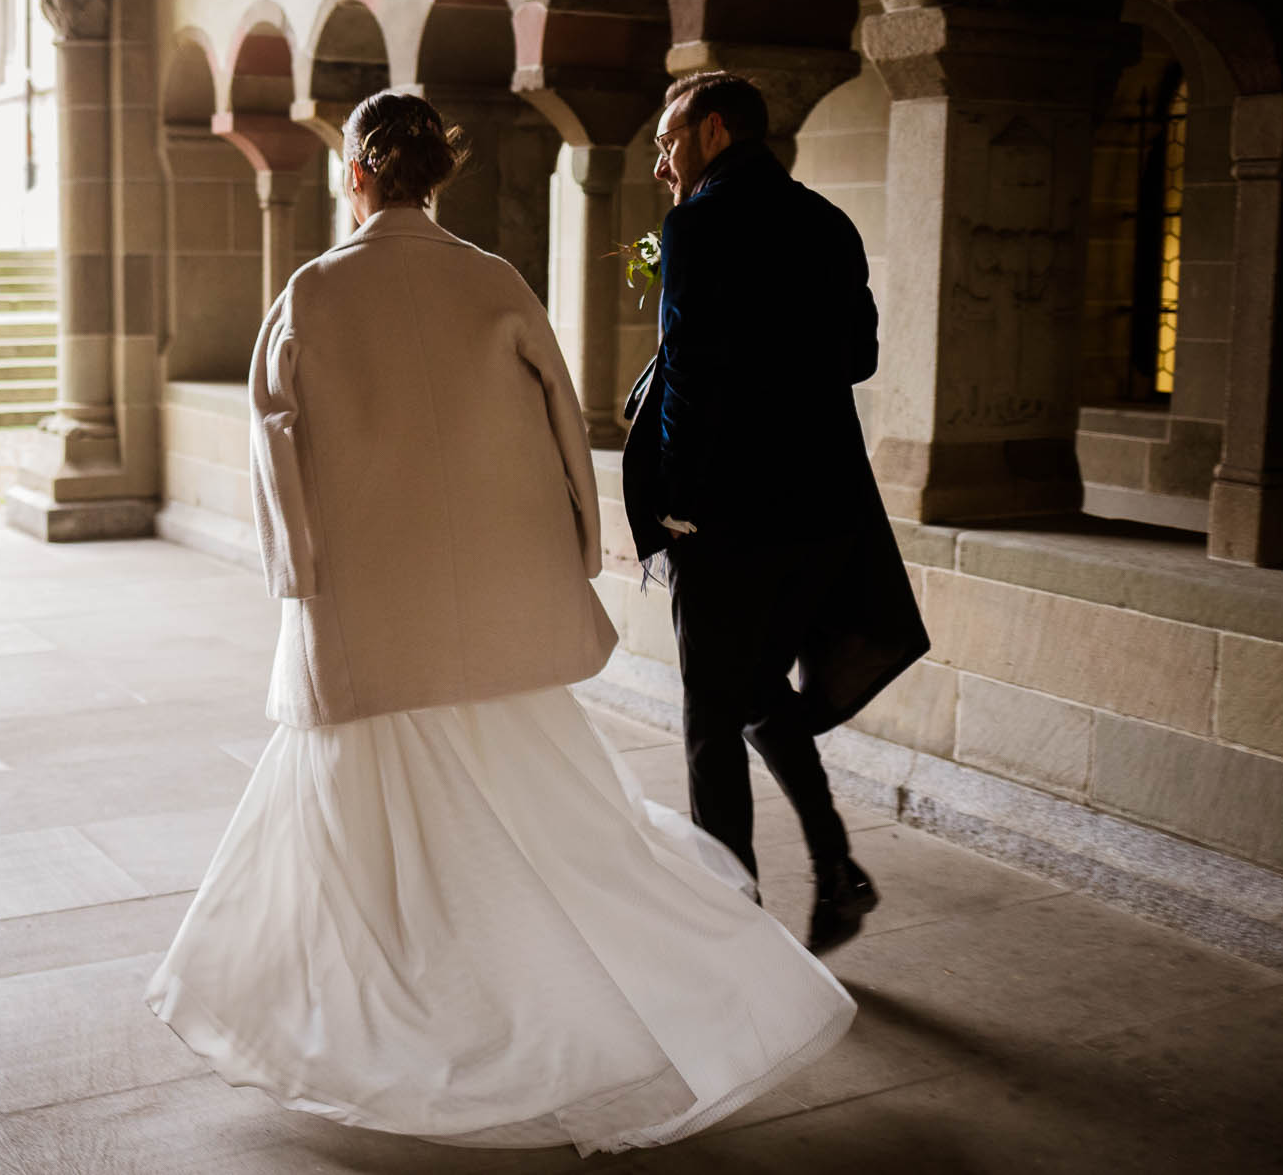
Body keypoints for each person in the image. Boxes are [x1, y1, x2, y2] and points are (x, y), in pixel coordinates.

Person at [146, 90, 855, 1157]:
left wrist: (297, 578)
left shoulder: (312, 291)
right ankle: (576, 993)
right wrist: (569, 559)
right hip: (489, 610)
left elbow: (273, 441)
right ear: (435, 174)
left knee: (357, 835)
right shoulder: (493, 283)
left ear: (355, 174)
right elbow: (566, 428)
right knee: (551, 830)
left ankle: (384, 1024)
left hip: (366, 611)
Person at [623, 71, 931, 954]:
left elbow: (686, 375)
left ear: (715, 133)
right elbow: (861, 356)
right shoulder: (827, 223)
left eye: (668, 142)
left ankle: (733, 935)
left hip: (728, 519)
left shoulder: (697, 226)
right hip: (824, 511)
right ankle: (836, 869)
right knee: (755, 691)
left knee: (711, 721)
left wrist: (677, 509)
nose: (659, 165)